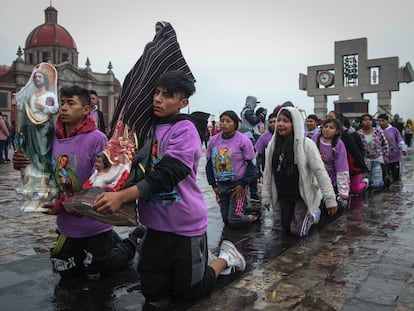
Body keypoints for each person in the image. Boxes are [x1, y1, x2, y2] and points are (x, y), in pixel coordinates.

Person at [92, 71, 246, 308]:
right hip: (152, 225)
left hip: (185, 225)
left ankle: (226, 258)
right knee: (153, 292)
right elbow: (126, 160)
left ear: (183, 102)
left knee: (192, 291)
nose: (158, 99)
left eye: (167, 95)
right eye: (156, 92)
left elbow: (168, 173)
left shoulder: (184, 130)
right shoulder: (143, 128)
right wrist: (107, 163)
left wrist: (121, 196)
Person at [13, 86, 139, 280]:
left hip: (95, 226)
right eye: (62, 103)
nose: (63, 108)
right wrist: (23, 163)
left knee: (100, 273)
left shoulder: (97, 139)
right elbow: (40, 170)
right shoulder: (50, 138)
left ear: (87, 109)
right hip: (65, 226)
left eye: (71, 104)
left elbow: (97, 184)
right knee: (67, 275)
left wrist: (61, 206)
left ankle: (131, 243)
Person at [261, 106, 338, 237]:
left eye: (285, 121)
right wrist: (266, 196)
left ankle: (314, 213)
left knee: (298, 232)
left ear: (294, 123)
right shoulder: (272, 145)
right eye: (279, 120)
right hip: (284, 194)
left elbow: (320, 172)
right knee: (285, 228)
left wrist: (330, 199)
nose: (280, 124)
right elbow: (268, 172)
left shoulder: (306, 144)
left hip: (302, 195)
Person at [15, 63, 59, 209]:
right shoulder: (31, 96)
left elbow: (54, 109)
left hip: (45, 129)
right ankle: (32, 182)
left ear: (45, 79)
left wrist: (44, 108)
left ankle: (44, 182)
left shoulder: (50, 95)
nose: (38, 78)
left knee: (43, 154)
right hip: (31, 130)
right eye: (36, 77)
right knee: (32, 155)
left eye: (40, 76)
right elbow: (25, 110)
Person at [206, 110, 260, 228]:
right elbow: (209, 164)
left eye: (228, 121)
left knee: (234, 220)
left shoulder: (243, 140)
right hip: (221, 185)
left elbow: (252, 165)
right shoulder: (213, 141)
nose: (224, 124)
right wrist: (213, 185)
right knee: (226, 220)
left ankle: (254, 216)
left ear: (235, 124)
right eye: (222, 121)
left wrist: (243, 183)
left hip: (237, 185)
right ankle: (245, 209)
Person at [312, 118, 350, 208]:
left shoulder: (338, 144)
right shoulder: (315, 138)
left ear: (336, 131)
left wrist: (343, 191)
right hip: (314, 177)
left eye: (331, 128)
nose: (327, 129)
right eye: (326, 126)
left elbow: (342, 167)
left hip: (330, 178)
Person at [238, 95, 266, 202]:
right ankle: (252, 192)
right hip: (250, 138)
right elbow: (254, 121)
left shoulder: (246, 111)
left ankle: (251, 191)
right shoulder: (247, 112)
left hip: (251, 137)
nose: (255, 105)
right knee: (253, 164)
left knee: (253, 165)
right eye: (255, 103)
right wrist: (261, 116)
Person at [357, 113, 389, 188]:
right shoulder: (358, 134)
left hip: (376, 159)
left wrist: (385, 158)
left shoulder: (378, 132)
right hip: (365, 161)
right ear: (361, 122)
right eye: (365, 120)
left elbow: (385, 144)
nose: (368, 121)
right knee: (366, 182)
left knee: (377, 182)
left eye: (369, 120)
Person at [377, 113, 407, 184]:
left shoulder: (394, 130)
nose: (381, 123)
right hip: (382, 159)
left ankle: (396, 193)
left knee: (396, 178)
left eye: (383, 120)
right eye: (379, 121)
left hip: (394, 157)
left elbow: (400, 140)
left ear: (387, 121)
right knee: (384, 178)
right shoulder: (377, 131)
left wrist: (403, 149)